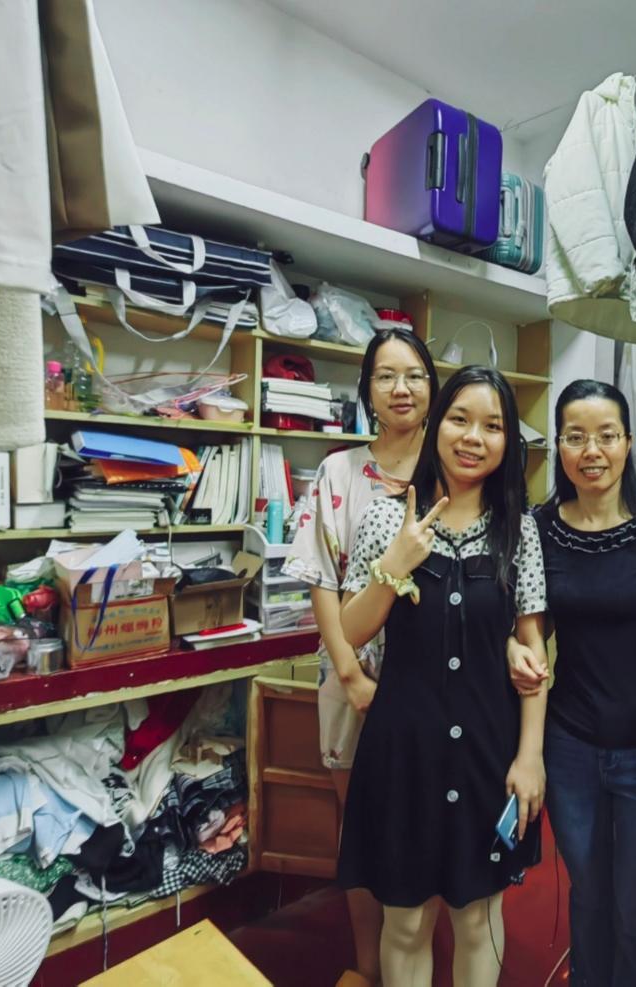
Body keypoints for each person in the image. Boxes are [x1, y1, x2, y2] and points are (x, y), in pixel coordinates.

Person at [338, 366, 549, 987]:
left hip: (488, 749)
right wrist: (395, 564)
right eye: (460, 419)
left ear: (508, 442)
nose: (473, 438)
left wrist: (530, 756)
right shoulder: (387, 518)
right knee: (405, 921)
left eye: (493, 426)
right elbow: (352, 630)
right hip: (404, 750)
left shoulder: (519, 529)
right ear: (436, 426)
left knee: (477, 917)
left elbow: (533, 651)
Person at [507, 380, 636, 986]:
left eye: (607, 436)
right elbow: (522, 624)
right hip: (571, 744)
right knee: (587, 889)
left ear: (629, 442)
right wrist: (511, 646)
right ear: (558, 446)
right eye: (576, 437)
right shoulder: (536, 528)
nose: (592, 451)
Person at [282, 327, 437, 986]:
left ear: (433, 386)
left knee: (429, 819)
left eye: (414, 374)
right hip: (357, 673)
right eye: (385, 375)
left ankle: (418, 954)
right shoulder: (338, 471)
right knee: (362, 828)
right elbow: (319, 575)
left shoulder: (452, 461)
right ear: (367, 390)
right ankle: (368, 965)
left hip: (434, 677)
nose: (401, 388)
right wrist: (349, 672)